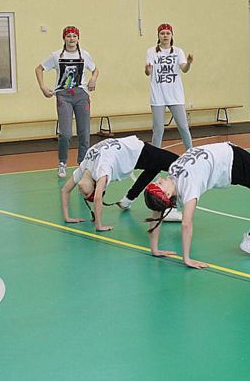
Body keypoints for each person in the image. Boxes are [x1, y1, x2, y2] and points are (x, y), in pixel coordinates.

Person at [143, 143, 250, 269]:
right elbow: (186, 224)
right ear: (168, 194)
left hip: (232, 155)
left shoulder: (172, 172)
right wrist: (187, 259)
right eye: (159, 184)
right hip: (234, 161)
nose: (158, 180)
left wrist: (154, 249)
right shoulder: (189, 187)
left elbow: (157, 213)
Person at [61, 136, 182, 231]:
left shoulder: (89, 169)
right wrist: (68, 218)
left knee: (165, 165)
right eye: (86, 194)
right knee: (174, 164)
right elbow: (71, 192)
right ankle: (168, 209)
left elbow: (68, 191)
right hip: (133, 153)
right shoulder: (96, 171)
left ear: (95, 185)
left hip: (135, 149)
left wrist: (98, 225)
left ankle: (128, 199)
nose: (81, 192)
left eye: (86, 194)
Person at [36, 26, 99, 178]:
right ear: (64, 38)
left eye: (74, 36)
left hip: (81, 95)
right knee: (65, 133)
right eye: (68, 36)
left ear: (78, 38)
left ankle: (82, 164)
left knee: (84, 132)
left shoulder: (84, 55)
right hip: (63, 96)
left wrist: (93, 79)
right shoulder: (56, 55)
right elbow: (39, 69)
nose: (71, 38)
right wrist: (43, 87)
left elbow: (95, 70)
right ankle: (62, 163)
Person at [146, 23, 193, 150]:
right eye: (162, 33)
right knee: (158, 129)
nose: (165, 36)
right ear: (158, 36)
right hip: (158, 96)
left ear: (172, 35)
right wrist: (148, 70)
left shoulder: (178, 51)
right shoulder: (151, 52)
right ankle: (155, 156)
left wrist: (189, 63)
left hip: (175, 96)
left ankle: (191, 152)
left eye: (168, 33)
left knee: (183, 127)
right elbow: (148, 72)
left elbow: (184, 69)